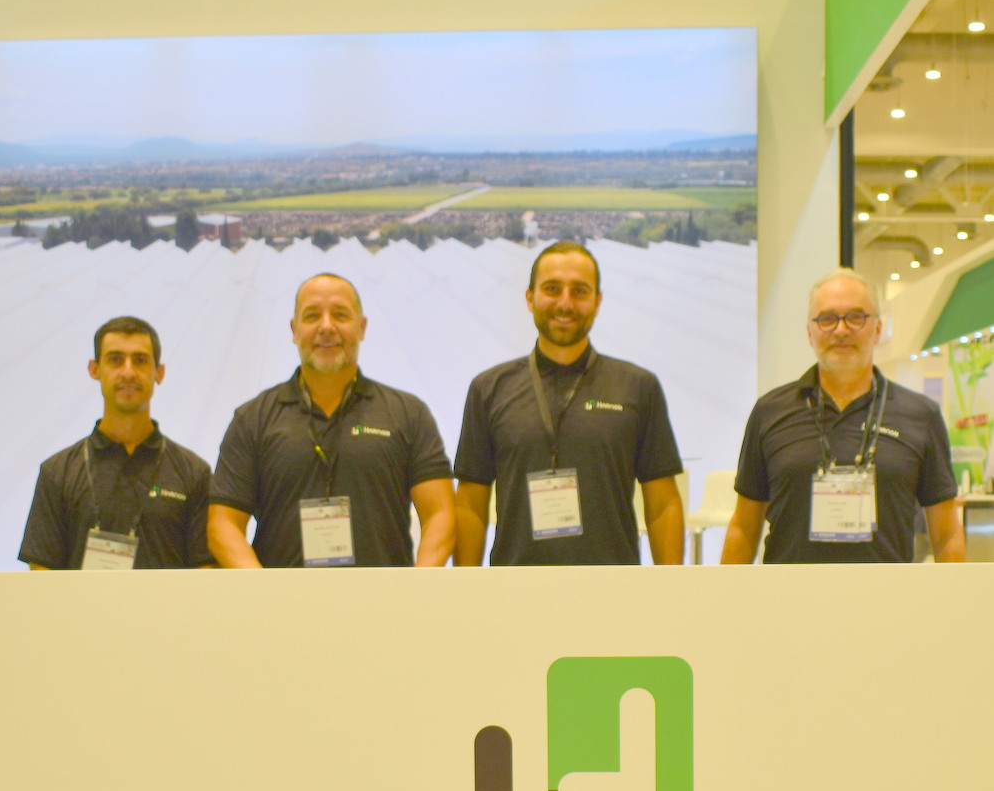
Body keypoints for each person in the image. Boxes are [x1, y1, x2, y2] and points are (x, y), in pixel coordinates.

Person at [453, 241, 685, 566]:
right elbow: (470, 503)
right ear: (530, 298)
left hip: (613, 587)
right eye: (552, 289)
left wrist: (671, 587)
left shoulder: (638, 387)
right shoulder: (488, 389)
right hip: (516, 587)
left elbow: (662, 503)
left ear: (597, 302)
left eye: (579, 291)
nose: (565, 303)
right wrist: (466, 586)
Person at [207, 273, 455, 568]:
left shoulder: (408, 413)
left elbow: (440, 514)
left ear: (361, 327)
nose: (326, 327)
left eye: (340, 315)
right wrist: (262, 589)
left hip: (383, 596)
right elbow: (223, 524)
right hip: (284, 597)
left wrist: (417, 586)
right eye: (312, 316)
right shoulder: (252, 419)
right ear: (294, 330)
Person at [722, 268, 964, 564]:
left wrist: (955, 592)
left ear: (878, 329)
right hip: (789, 592)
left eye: (856, 317)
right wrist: (727, 592)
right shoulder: (770, 411)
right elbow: (744, 528)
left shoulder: (921, 415)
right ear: (809, 332)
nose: (841, 330)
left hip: (887, 593)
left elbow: (946, 534)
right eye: (827, 319)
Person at [19, 316, 213, 570]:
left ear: (159, 373)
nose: (128, 372)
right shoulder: (57, 472)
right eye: (115, 359)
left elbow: (205, 571)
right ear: (94, 369)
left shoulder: (194, 473)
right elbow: (41, 571)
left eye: (140, 360)